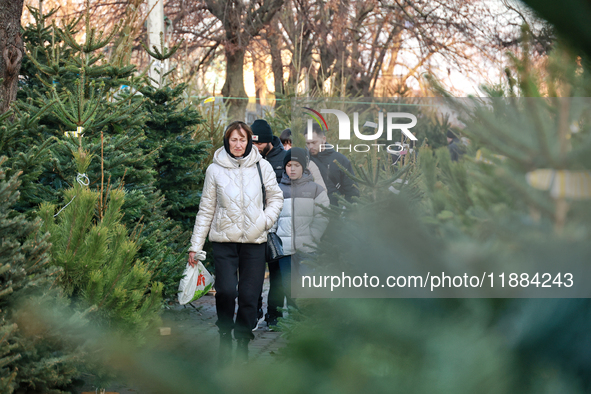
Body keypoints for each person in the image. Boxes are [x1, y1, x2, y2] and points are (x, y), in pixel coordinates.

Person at [188, 121, 283, 362]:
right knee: (227, 292)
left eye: (243, 140)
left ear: (249, 141)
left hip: (255, 243)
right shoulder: (214, 170)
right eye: (234, 140)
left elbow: (276, 198)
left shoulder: (263, 167)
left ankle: (242, 340)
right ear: (227, 141)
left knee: (250, 296)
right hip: (224, 242)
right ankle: (224, 334)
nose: (238, 144)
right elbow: (206, 210)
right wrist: (195, 247)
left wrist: (265, 221)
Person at [273, 147, 330, 309]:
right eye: (289, 165)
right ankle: (292, 322)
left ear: (303, 167)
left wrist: (313, 236)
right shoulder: (277, 190)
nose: (292, 168)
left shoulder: (316, 190)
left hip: (308, 249)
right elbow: (272, 217)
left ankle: (308, 322)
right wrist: (275, 236)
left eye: (296, 165)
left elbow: (322, 215)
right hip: (285, 249)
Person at [250, 119, 287, 329]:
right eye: (252, 144)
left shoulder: (283, 159)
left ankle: (275, 315)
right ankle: (254, 312)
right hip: (253, 225)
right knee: (253, 273)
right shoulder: (249, 158)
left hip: (276, 227)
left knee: (277, 275)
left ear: (268, 142)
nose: (255, 148)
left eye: (259, 144)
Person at [305, 123, 359, 205]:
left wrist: (347, 214)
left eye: (314, 142)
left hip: (335, 213)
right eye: (308, 143)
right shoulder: (304, 161)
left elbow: (352, 192)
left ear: (323, 139)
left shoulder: (340, 160)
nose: (311, 146)